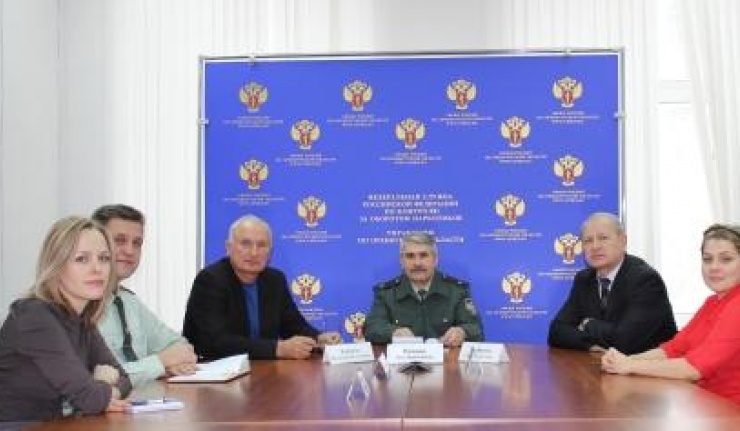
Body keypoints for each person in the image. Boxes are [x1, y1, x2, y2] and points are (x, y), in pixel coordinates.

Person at [0, 216, 132, 424]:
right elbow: (90, 399)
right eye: (82, 259)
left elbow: (125, 380)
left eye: (104, 258)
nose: (97, 268)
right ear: (57, 265)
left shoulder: (82, 319)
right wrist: (102, 388)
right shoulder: (33, 315)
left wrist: (100, 391)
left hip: (56, 425)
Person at [602, 223, 740, 404]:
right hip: (704, 404)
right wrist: (623, 361)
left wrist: (629, 365)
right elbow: (673, 350)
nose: (714, 267)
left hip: (730, 410)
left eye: (726, 259)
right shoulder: (713, 302)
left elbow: (693, 369)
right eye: (707, 259)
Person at [182, 214, 341, 360]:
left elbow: (292, 324)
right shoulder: (210, 280)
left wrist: (318, 338)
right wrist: (278, 349)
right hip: (211, 372)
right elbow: (217, 342)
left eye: (261, 245)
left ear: (270, 252)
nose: (254, 253)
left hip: (260, 369)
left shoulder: (274, 279)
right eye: (246, 244)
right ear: (228, 248)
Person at [92, 205, 197, 386]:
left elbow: (181, 347)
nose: (130, 251)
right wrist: (160, 363)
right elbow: (97, 379)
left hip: (141, 399)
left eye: (137, 243)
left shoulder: (128, 301)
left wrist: (168, 364)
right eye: (120, 240)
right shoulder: (79, 305)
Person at [548, 212, 677, 354]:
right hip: (607, 364)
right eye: (588, 240)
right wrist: (589, 345)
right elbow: (556, 332)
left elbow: (625, 341)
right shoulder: (584, 279)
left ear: (623, 241)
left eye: (603, 238)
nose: (595, 246)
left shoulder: (645, 280)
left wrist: (587, 324)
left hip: (652, 365)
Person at [364, 232, 484, 346]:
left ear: (435, 259)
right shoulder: (386, 293)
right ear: (401, 261)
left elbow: (476, 328)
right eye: (410, 256)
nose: (417, 263)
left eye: (423, 255)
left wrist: (462, 332)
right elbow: (372, 328)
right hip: (402, 360)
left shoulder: (456, 291)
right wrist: (393, 332)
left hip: (446, 359)